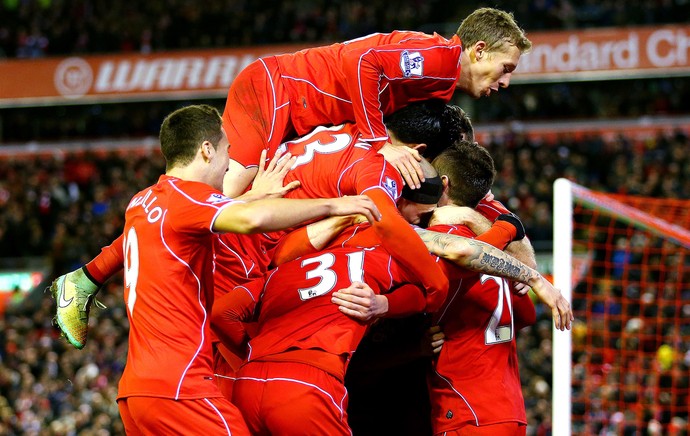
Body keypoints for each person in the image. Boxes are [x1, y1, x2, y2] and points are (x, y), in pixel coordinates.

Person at [58, 104, 383, 434]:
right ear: (207, 150)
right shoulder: (188, 196)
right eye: (228, 152)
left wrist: (253, 195)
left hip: (136, 395)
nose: (230, 164)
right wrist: (333, 204)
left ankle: (81, 281)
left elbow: (199, 217)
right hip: (182, 390)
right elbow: (248, 220)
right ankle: (81, 282)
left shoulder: (142, 202)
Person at [221, 7, 531, 197]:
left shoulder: (441, 83)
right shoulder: (439, 58)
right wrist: (380, 143)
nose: (505, 82)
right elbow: (363, 62)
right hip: (279, 86)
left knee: (256, 194)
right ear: (478, 50)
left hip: (299, 108)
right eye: (506, 68)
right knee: (232, 190)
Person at [210, 239, 429, 435]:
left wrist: (252, 352)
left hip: (247, 383)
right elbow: (430, 291)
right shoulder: (374, 256)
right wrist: (384, 305)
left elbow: (221, 312)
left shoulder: (279, 270)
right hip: (307, 383)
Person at [425, 141, 536, 435]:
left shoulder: (445, 241)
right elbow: (525, 314)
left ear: (443, 184)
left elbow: (427, 292)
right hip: (509, 410)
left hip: (465, 409)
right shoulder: (500, 250)